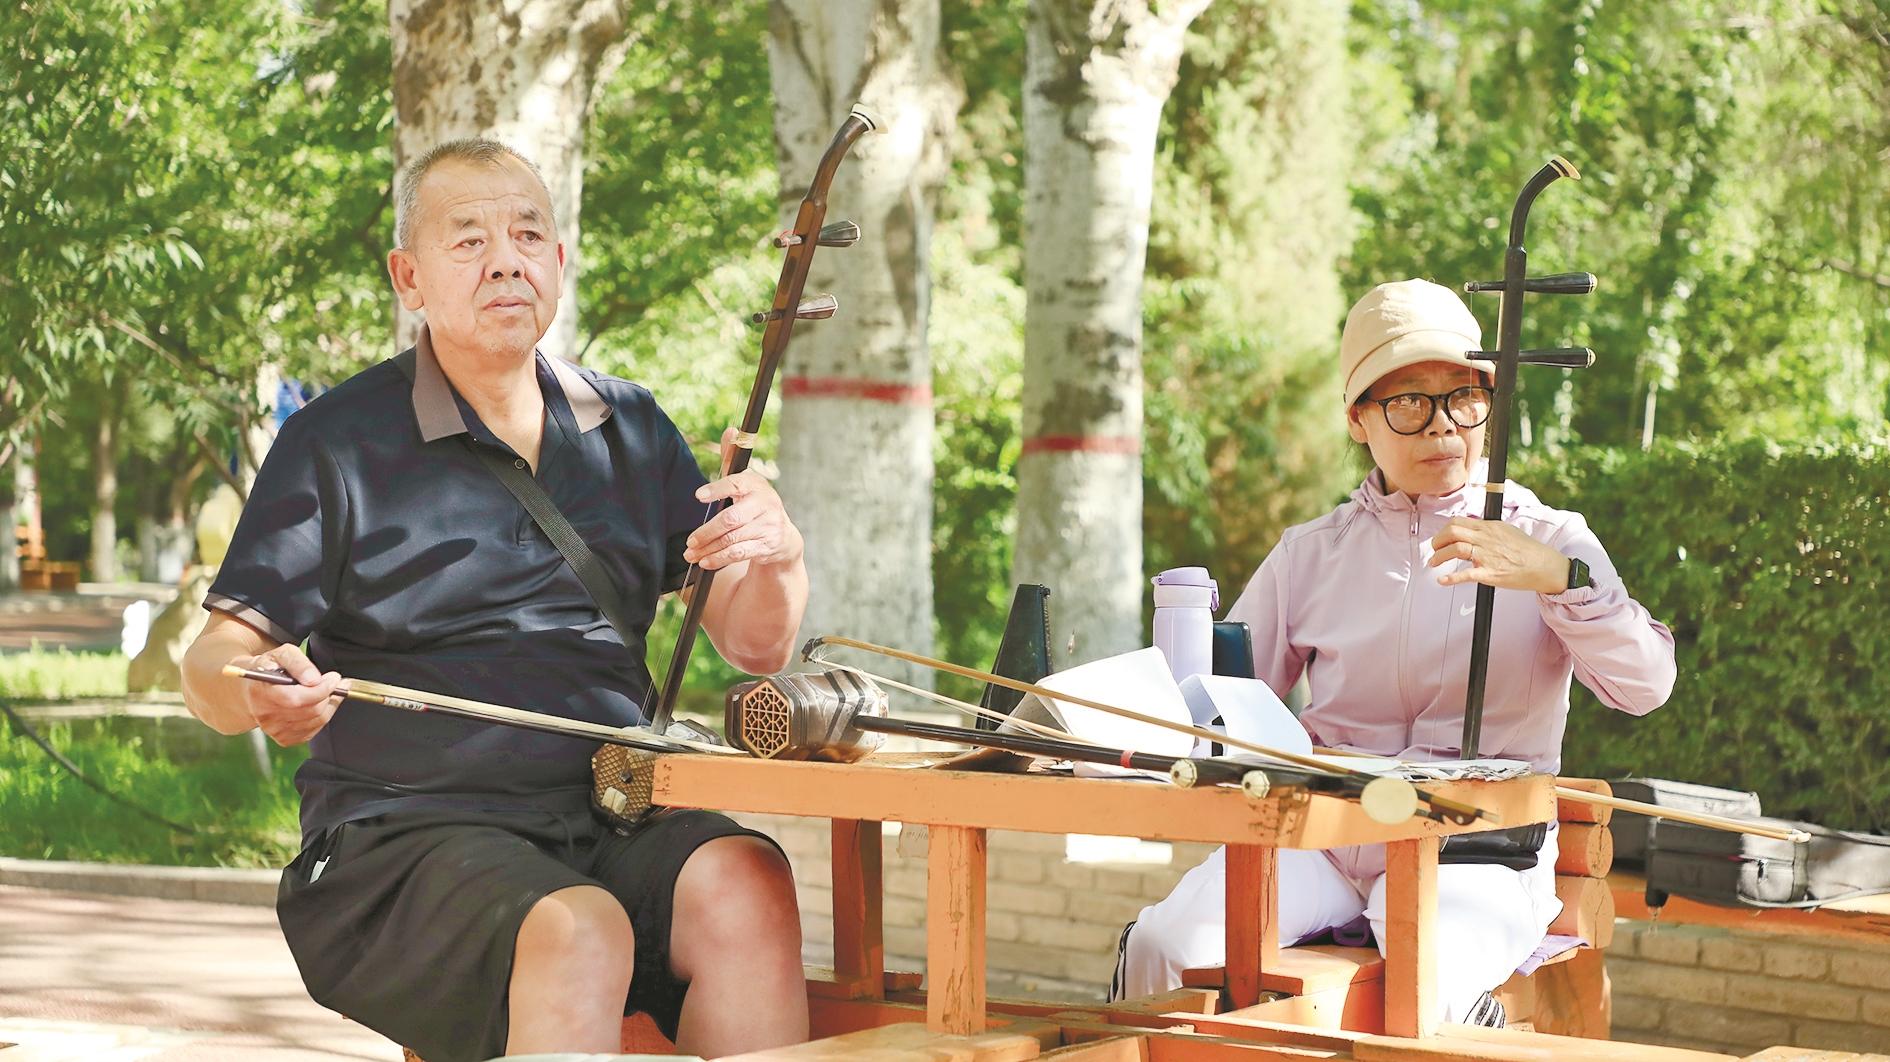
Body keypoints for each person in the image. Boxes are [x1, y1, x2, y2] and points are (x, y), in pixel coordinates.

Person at [180, 138, 810, 1061]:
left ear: (559, 260)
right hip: (406, 833)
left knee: (747, 883)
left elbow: (756, 644)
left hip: (612, 809)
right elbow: (210, 664)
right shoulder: (336, 440)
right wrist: (258, 690)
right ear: (409, 277)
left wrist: (779, 552)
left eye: (527, 234)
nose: (506, 260)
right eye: (469, 239)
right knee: (580, 928)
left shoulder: (631, 428)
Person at [1117, 278, 1676, 1025]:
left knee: (1422, 977)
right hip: (1323, 838)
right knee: (1163, 945)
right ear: (1358, 418)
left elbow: (1646, 684)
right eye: (1410, 402)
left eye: (1464, 398)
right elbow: (1218, 704)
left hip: (1478, 850)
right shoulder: (1311, 553)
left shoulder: (1550, 538)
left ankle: (1470, 1029)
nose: (1443, 426)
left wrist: (1558, 580)